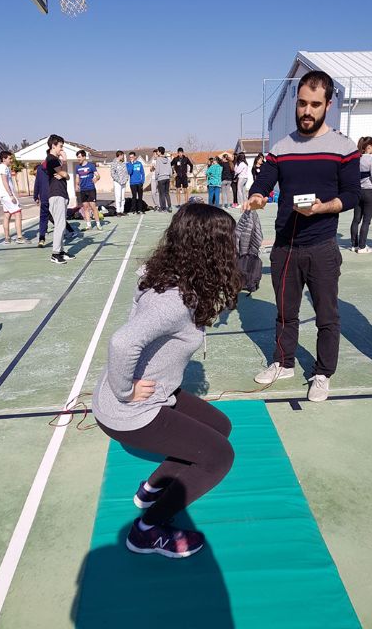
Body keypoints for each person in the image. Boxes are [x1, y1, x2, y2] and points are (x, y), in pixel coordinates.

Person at [92, 204, 241, 557]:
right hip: (130, 410)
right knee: (219, 456)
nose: (232, 248)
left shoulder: (161, 272)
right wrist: (125, 390)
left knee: (219, 426)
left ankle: (152, 487)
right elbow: (123, 342)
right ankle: (147, 530)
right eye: (227, 241)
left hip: (154, 393)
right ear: (209, 247)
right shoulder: (172, 302)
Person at [245, 70, 360, 402]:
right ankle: (284, 363)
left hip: (322, 246)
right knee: (284, 311)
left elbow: (352, 194)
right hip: (285, 246)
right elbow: (264, 181)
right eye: (301, 104)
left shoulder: (343, 147)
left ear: (328, 104)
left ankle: (323, 373)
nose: (306, 111)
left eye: (314, 104)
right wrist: (257, 196)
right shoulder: (281, 147)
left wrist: (325, 208)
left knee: (327, 315)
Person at [46, 134, 75, 265]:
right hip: (56, 195)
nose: (62, 149)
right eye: (60, 146)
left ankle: (61, 251)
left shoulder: (56, 160)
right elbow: (64, 174)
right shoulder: (51, 159)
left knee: (62, 224)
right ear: (53, 145)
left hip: (61, 194)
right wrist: (64, 170)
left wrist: (63, 165)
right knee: (60, 225)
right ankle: (55, 253)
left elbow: (64, 174)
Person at [34, 159, 75, 247]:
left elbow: (37, 183)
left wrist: (35, 196)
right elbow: (63, 181)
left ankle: (42, 238)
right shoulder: (55, 168)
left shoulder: (40, 169)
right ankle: (67, 232)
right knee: (58, 218)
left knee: (44, 217)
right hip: (54, 196)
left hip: (44, 197)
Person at [0, 151, 29, 245]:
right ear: (3, 159)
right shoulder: (3, 167)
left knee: (7, 215)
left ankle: (7, 238)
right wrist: (10, 195)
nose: (11, 160)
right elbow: (4, 181)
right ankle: (19, 237)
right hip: (7, 195)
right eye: (9, 158)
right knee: (18, 213)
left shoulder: (2, 168)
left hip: (3, 195)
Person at [75, 149, 101, 230]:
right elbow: (77, 177)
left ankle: (98, 224)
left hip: (90, 189)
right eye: (77, 157)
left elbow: (98, 176)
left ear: (84, 157)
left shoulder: (91, 166)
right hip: (83, 190)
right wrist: (76, 185)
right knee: (85, 207)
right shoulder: (77, 167)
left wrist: (96, 179)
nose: (78, 159)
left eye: (79, 157)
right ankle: (88, 225)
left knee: (93, 207)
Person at [110, 150, 129, 217]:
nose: (123, 157)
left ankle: (122, 210)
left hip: (124, 182)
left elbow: (126, 172)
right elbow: (112, 173)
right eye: (122, 155)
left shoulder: (123, 163)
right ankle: (118, 211)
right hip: (117, 182)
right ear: (120, 155)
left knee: (123, 197)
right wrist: (119, 180)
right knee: (118, 196)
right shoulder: (114, 163)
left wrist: (126, 179)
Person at [155, 146, 172, 213]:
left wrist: (156, 177)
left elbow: (157, 170)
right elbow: (170, 169)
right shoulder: (168, 159)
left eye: (157, 151)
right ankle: (169, 207)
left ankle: (164, 208)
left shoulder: (158, 159)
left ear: (159, 152)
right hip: (167, 178)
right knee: (167, 193)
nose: (157, 153)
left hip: (161, 178)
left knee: (161, 194)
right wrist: (169, 175)